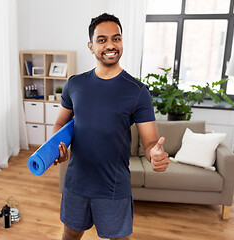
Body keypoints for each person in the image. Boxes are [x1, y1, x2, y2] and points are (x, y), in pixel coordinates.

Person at [52, 13, 170, 240]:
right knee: (70, 234)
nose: (110, 45)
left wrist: (155, 153)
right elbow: (60, 123)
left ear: (122, 42)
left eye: (116, 39)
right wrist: (57, 147)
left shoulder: (137, 91)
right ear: (91, 46)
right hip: (76, 184)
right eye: (102, 39)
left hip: (113, 188)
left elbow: (150, 142)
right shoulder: (74, 84)